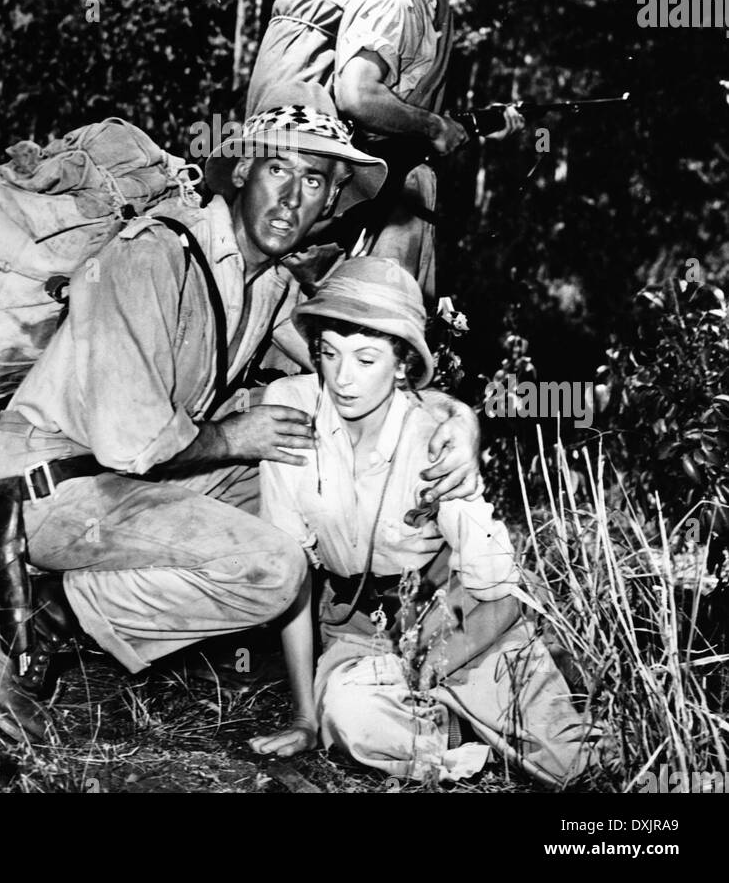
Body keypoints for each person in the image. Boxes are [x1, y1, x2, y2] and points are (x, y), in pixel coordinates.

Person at [0, 84, 482, 739]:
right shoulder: (153, 254)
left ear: (330, 199)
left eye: (315, 180)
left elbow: (365, 380)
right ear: (241, 172)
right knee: (276, 566)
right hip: (58, 494)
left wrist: (455, 423)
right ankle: (43, 614)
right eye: (277, 169)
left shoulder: (270, 285)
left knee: (315, 457)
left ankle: (305, 657)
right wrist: (240, 433)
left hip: (136, 485)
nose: (293, 197)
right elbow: (132, 443)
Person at [249, 257, 606, 785]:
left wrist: (437, 664)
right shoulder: (289, 412)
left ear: (401, 366)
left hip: (459, 622)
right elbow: (292, 576)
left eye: (366, 359)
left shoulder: (435, 434)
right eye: (329, 353)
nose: (342, 379)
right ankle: (468, 732)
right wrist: (304, 717)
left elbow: (495, 586)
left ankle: (516, 701)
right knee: (352, 722)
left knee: (579, 766)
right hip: (358, 631)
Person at [246, 0, 524, 301]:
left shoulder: (434, 4)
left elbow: (405, 112)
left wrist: (472, 127)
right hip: (352, 191)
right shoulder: (391, 1)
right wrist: (434, 126)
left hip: (378, 193)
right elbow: (356, 94)